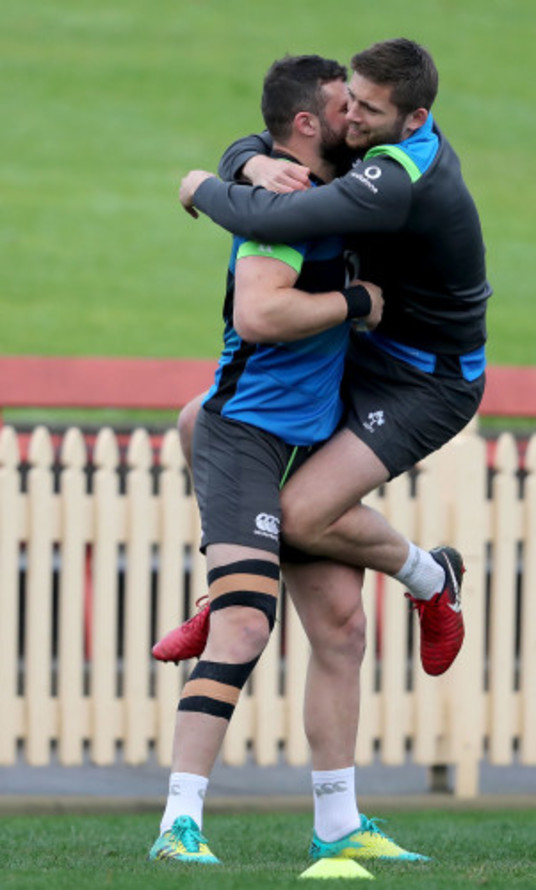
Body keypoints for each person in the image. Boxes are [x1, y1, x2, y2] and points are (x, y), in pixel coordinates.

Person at [148, 53, 427, 866]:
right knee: (244, 624)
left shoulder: (328, 185)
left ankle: (339, 825)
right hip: (247, 438)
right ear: (306, 123)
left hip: (308, 442)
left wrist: (223, 167)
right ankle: (177, 826)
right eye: (343, 107)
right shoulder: (277, 206)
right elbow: (260, 315)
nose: (356, 116)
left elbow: (222, 167)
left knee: (343, 629)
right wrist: (356, 302)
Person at [159, 38, 491, 681]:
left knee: (303, 515)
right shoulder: (376, 132)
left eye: (368, 110)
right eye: (351, 102)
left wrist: (202, 186)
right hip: (368, 346)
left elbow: (282, 220)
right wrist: (250, 163)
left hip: (426, 382)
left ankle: (432, 577)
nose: (351, 120)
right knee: (199, 420)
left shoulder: (394, 180)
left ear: (415, 119)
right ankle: (229, 587)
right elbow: (271, 137)